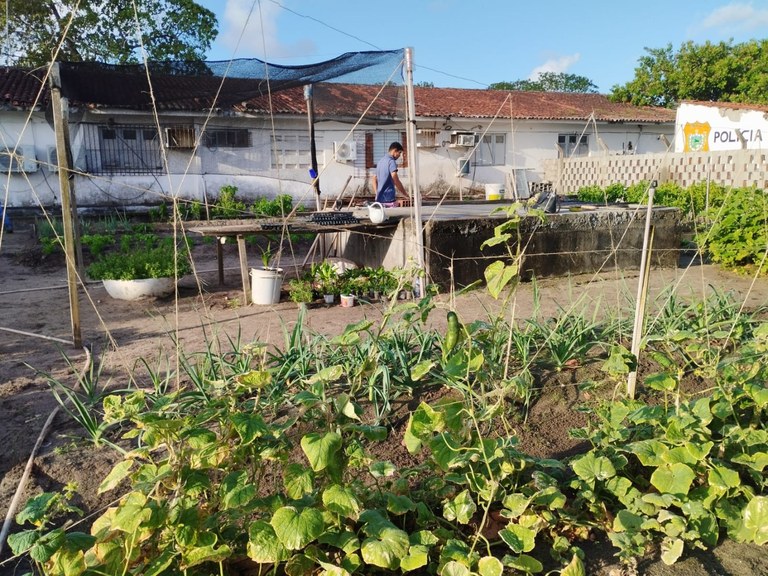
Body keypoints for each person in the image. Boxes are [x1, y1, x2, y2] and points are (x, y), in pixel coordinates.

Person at [372, 141, 408, 207]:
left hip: (379, 199)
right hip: (388, 198)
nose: (399, 155)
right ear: (395, 151)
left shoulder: (380, 161)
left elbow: (374, 178)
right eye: (399, 153)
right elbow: (395, 179)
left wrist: (377, 193)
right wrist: (405, 194)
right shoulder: (391, 162)